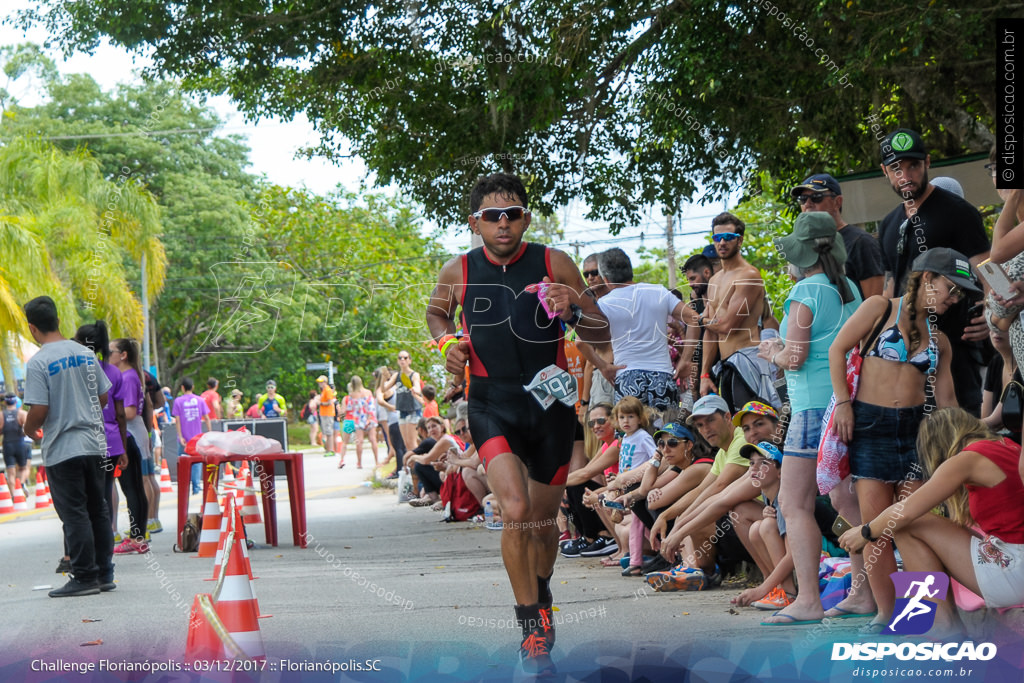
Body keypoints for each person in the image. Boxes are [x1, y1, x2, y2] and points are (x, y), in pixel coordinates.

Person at [425, 172, 609, 674]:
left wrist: (573, 308)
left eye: (512, 214)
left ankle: (542, 590)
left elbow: (600, 326)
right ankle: (531, 629)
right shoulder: (458, 271)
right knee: (515, 508)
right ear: (475, 223)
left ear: (525, 217)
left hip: (550, 407)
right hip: (491, 403)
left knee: (543, 522)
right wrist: (448, 345)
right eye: (492, 216)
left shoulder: (554, 262)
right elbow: (437, 316)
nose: (503, 224)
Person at [828, 247, 969, 632]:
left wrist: (961, 449)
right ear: (927, 279)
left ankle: (921, 616)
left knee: (909, 523)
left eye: (958, 295)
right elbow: (837, 349)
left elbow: (947, 402)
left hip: (915, 430)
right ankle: (887, 613)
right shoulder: (878, 307)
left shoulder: (940, 339)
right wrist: (844, 402)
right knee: (876, 527)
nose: (953, 300)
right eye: (950, 289)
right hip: (869, 424)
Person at [756, 211, 862, 625]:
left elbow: (795, 357)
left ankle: (808, 600)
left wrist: (772, 352)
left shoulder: (805, 292)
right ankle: (864, 591)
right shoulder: (847, 287)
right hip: (844, 401)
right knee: (845, 497)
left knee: (793, 502)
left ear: (802, 253)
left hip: (810, 408)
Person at [839, 408, 1024, 635]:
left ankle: (942, 626)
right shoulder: (1008, 446)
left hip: (1014, 571)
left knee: (907, 526)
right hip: (1015, 560)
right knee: (933, 525)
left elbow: (905, 511)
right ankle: (944, 623)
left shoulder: (968, 458)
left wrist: (865, 532)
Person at [876, 128, 990, 414]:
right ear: (884, 171)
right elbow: (890, 289)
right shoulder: (888, 224)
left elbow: (987, 270)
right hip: (904, 359)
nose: (905, 176)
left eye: (913, 166)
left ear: (927, 163)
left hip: (955, 352)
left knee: (959, 438)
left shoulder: (959, 212)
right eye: (896, 169)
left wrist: (991, 312)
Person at [22, 296, 115, 597]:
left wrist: (28, 428)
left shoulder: (38, 362)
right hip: (95, 445)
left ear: (32, 328)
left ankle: (85, 576)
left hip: (63, 449)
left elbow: (40, 409)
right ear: (59, 321)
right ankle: (104, 573)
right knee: (98, 511)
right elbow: (102, 398)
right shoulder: (85, 354)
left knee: (75, 514)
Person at [698, 213, 777, 413]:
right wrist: (704, 375)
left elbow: (726, 326)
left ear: (739, 240)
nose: (722, 242)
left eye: (728, 237)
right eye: (717, 238)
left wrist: (701, 319)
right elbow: (712, 331)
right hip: (725, 366)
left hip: (747, 361)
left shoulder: (748, 276)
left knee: (753, 430)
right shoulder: (715, 280)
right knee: (734, 430)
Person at [592, 248, 685, 417]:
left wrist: (603, 367)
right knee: (667, 436)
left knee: (631, 439)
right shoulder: (659, 291)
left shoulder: (603, 304)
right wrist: (687, 359)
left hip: (627, 377)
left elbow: (579, 342)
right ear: (630, 270)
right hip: (662, 376)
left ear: (605, 279)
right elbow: (694, 319)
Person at [790, 173, 885, 299]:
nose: (807, 203)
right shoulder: (805, 247)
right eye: (802, 199)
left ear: (837, 202)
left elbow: (876, 304)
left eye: (816, 197)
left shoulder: (860, 242)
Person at [109, 338, 155, 548]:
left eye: (111, 352)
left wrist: (107, 412)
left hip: (131, 434)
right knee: (135, 486)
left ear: (123, 354)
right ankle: (139, 535)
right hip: (134, 431)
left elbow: (128, 411)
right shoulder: (130, 376)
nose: (108, 357)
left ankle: (137, 536)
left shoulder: (127, 378)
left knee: (131, 487)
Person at [172, 377, 211, 495]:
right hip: (197, 438)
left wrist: (180, 436)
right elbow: (207, 418)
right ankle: (196, 488)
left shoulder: (178, 401)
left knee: (183, 463)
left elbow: (177, 420)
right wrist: (209, 433)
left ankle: (184, 488)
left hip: (184, 439)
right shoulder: (200, 400)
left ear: (182, 388)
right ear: (193, 387)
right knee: (197, 463)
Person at [384, 351, 424, 452]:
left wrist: (415, 389)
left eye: (405, 358)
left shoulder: (414, 374)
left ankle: (417, 466)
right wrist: (382, 378)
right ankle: (411, 465)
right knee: (406, 443)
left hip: (413, 409)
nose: (402, 360)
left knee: (412, 442)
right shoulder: (397, 375)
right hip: (402, 410)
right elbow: (384, 388)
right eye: (400, 358)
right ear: (398, 361)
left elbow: (417, 387)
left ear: (409, 360)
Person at [376, 366, 406, 479]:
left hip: (393, 421)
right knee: (403, 447)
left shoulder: (383, 389)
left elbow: (380, 400)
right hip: (402, 419)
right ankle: (404, 469)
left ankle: (399, 471)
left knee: (397, 447)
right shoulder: (395, 388)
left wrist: (390, 407)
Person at [347, 375, 380, 469]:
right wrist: (370, 418)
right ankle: (376, 461)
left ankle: (359, 462)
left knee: (359, 441)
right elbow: (372, 406)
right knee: (373, 439)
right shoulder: (368, 392)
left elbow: (350, 408)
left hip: (358, 419)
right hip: (370, 418)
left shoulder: (352, 395)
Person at [0, 393, 29, 486]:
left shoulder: (1, 415)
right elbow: (27, 430)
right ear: (16, 402)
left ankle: (13, 496)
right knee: (23, 468)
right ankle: (20, 485)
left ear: (5, 402)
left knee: (10, 472)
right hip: (20, 443)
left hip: (7, 444)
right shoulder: (22, 414)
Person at [316, 375, 336, 455]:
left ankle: (331, 450)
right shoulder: (323, 390)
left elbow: (330, 402)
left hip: (328, 414)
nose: (319, 383)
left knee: (329, 432)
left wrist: (320, 403)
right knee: (326, 432)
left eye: (321, 382)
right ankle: (328, 449)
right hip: (324, 414)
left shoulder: (327, 390)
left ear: (325, 382)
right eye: (319, 382)